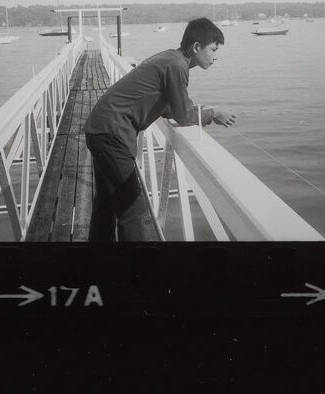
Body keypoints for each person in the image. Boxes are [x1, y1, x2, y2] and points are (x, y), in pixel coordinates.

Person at [82, 17, 238, 241]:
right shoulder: (177, 66)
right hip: (111, 134)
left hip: (101, 129)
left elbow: (169, 108)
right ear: (196, 47)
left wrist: (205, 112)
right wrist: (213, 113)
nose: (216, 56)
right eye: (213, 49)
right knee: (132, 210)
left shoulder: (170, 58)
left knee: (106, 204)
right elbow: (184, 116)